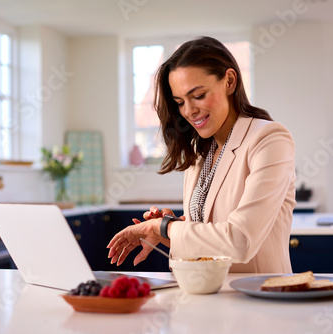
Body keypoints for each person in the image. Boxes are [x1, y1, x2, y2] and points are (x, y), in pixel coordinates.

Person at [107, 36, 296, 273]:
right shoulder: (200, 153)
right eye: (179, 102)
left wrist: (163, 228)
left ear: (229, 81)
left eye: (198, 96)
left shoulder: (269, 139)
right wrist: (168, 230)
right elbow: (209, 244)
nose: (189, 111)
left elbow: (240, 241)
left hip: (259, 299)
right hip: (207, 298)